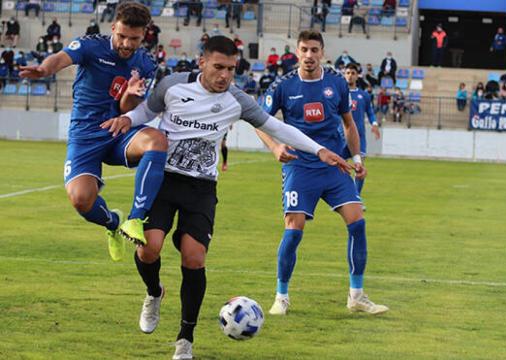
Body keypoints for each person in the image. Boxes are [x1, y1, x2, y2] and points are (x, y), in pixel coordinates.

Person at [100, 35, 350, 360]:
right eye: (218, 67)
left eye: (231, 69)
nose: (224, 75)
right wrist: (126, 118)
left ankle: (184, 340)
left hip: (201, 188)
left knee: (194, 258)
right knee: (149, 250)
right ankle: (153, 293)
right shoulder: (173, 85)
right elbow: (147, 110)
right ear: (202, 62)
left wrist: (320, 150)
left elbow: (276, 126)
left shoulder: (237, 100)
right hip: (164, 179)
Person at [19, 2, 167, 260]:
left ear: (144, 35)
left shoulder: (146, 64)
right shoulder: (90, 45)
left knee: (156, 140)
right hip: (85, 133)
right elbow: (61, 58)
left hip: (119, 131)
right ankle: (113, 222)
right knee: (81, 200)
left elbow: (126, 109)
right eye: (121, 36)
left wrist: (131, 95)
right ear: (113, 28)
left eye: (134, 38)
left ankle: (135, 219)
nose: (126, 44)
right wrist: (45, 69)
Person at [257, 30, 389, 316]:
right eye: (304, 49)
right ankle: (281, 296)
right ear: (297, 51)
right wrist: (275, 147)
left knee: (357, 222)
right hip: (299, 167)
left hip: (334, 166)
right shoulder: (282, 86)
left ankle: (356, 295)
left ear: (323, 53)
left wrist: (356, 158)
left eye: (314, 50)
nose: (309, 55)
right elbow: (259, 121)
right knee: (294, 231)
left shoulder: (337, 82)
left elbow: (349, 124)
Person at [342, 64, 380, 204]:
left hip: (359, 138)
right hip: (341, 138)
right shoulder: (339, 94)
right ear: (344, 74)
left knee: (360, 168)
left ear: (357, 75)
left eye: (353, 72)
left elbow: (370, 112)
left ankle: (355, 198)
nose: (350, 75)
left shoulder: (363, 95)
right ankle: (344, 197)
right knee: (341, 169)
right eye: (348, 72)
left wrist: (374, 125)